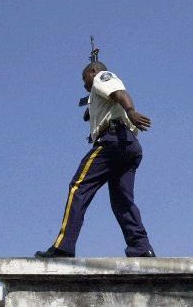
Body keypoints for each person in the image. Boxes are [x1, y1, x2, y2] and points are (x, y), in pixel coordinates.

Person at [35, 60, 155, 258]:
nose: (84, 84)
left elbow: (119, 93)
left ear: (93, 71)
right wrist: (90, 106)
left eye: (85, 78)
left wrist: (131, 111)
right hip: (129, 146)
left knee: (78, 187)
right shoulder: (97, 95)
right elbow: (95, 111)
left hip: (112, 141)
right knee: (122, 201)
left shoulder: (102, 76)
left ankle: (63, 247)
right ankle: (141, 249)